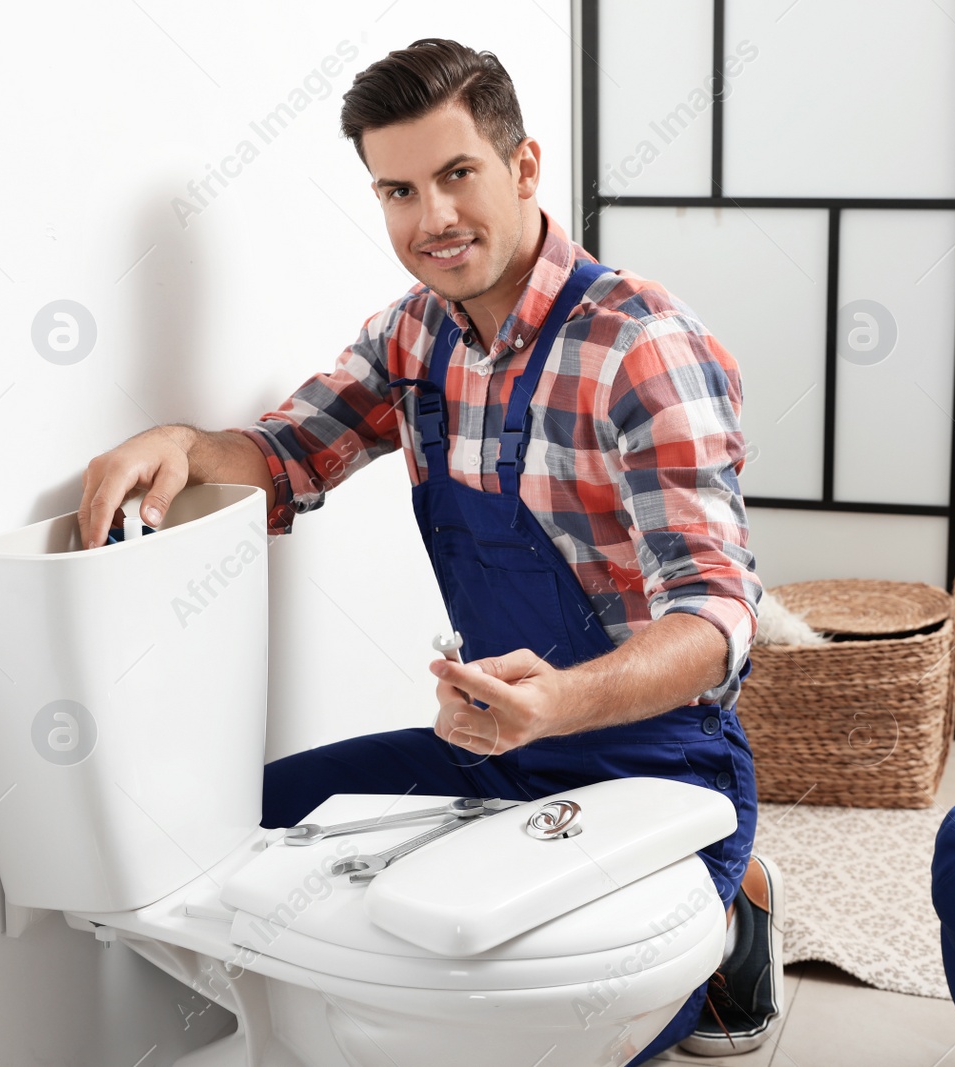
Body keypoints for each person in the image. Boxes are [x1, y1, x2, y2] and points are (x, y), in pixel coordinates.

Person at [76, 37, 782, 1062]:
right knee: (232, 824)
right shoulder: (414, 338)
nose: (432, 220)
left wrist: (559, 702)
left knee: (559, 1021)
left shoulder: (640, 345)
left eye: (458, 176)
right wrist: (183, 442)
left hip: (657, 764)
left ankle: (732, 921)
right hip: (498, 748)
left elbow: (719, 619)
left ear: (524, 166)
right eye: (397, 190)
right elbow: (286, 455)